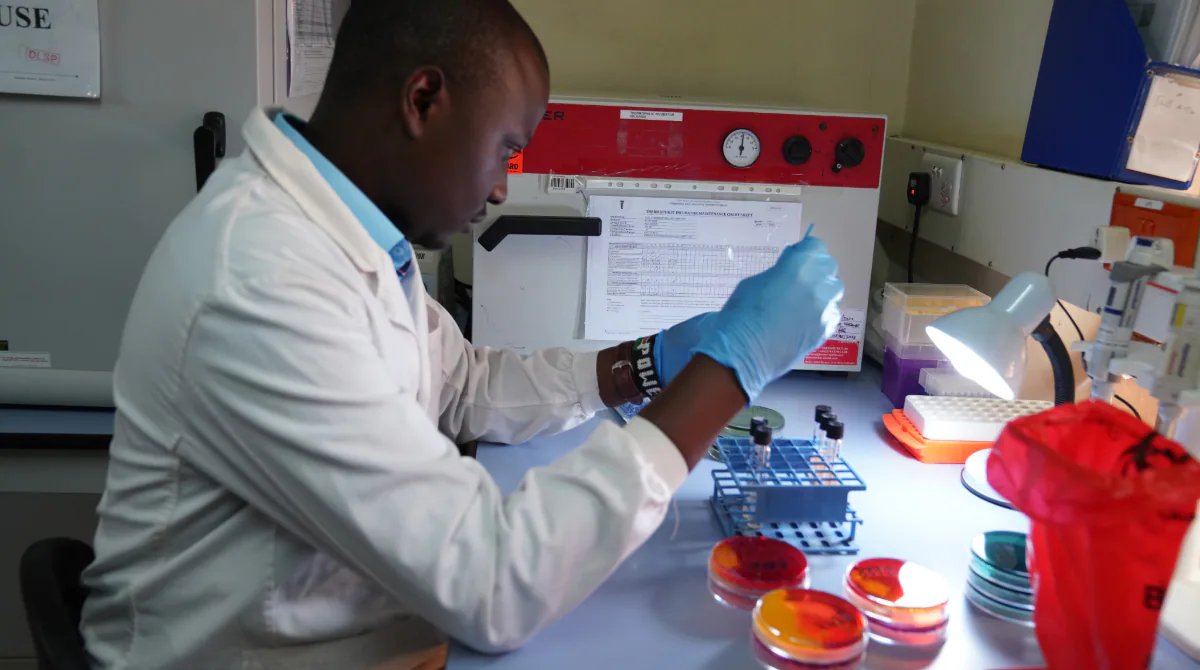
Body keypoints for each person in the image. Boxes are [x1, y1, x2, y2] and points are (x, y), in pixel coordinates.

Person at [78, 1, 844, 668]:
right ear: (423, 99)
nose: (506, 185)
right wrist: (728, 367)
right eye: (507, 147)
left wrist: (648, 363)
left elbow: (463, 384)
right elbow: (494, 584)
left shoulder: (350, 233)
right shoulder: (261, 277)